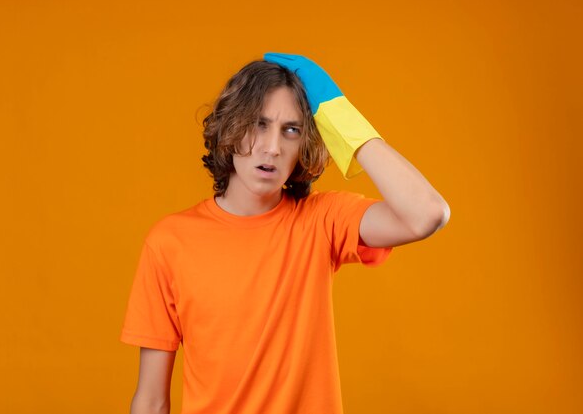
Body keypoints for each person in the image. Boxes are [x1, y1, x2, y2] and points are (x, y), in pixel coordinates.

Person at [120, 53, 450, 414]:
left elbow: (427, 213)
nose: (273, 147)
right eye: (259, 124)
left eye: (290, 130)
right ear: (229, 129)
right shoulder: (169, 242)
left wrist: (341, 116)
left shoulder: (322, 219)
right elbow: (151, 400)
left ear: (304, 144)